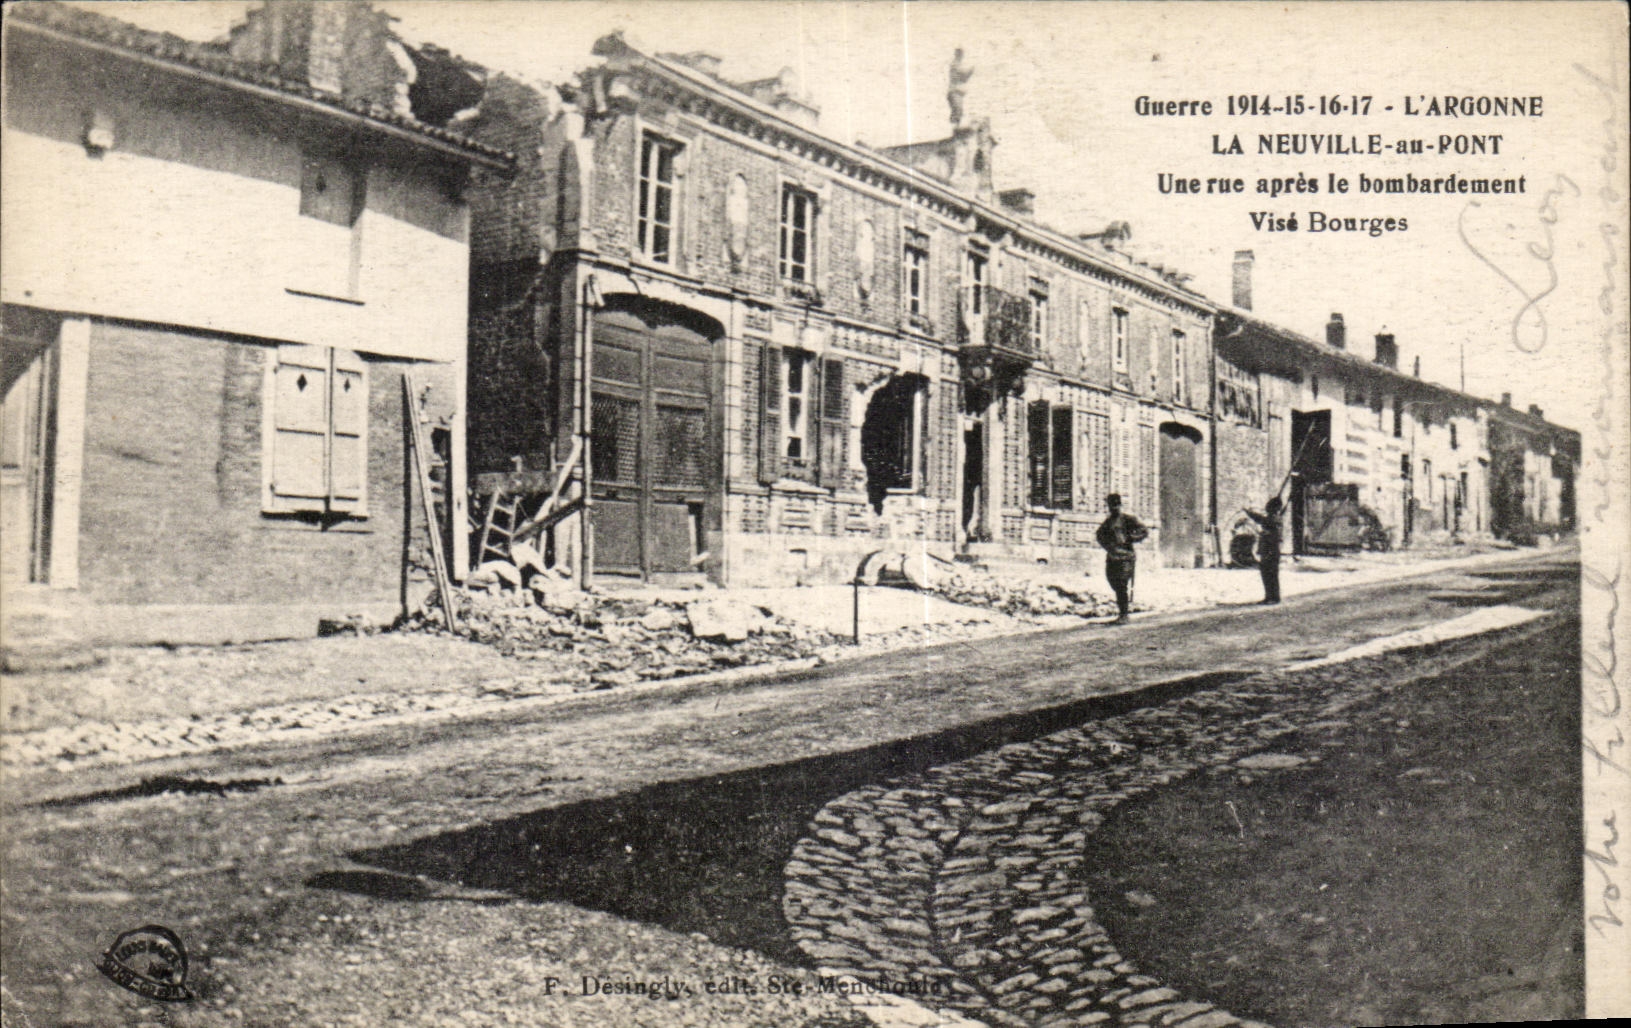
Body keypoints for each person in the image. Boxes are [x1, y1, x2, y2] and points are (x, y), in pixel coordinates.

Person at [1095, 493, 1148, 624]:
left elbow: (1144, 531)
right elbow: (1099, 535)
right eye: (1111, 506)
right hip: (1113, 557)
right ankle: (1123, 611)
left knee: (1122, 584)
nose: (1113, 508)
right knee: (1112, 581)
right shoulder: (1108, 522)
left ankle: (1124, 614)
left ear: (1120, 505)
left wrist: (1131, 538)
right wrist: (1108, 547)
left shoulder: (1127, 519)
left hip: (1126, 557)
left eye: (1116, 505)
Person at [1245, 496, 1284, 604]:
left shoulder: (1274, 518)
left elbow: (1262, 520)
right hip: (1270, 550)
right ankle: (1270, 597)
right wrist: (1249, 513)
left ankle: (1273, 597)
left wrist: (1265, 533)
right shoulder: (1274, 518)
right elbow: (1261, 519)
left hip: (1271, 550)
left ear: (1273, 508)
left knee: (1269, 574)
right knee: (1269, 574)